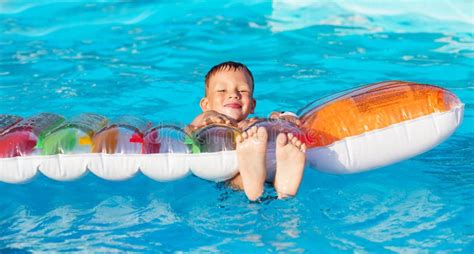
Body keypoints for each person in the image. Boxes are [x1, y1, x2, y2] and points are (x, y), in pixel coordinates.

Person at [188, 61, 306, 201]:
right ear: (206, 104)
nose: (234, 95)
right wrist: (209, 117)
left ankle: (283, 182)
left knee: (267, 137)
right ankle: (262, 182)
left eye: (243, 90)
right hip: (225, 175)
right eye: (222, 90)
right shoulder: (207, 122)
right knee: (229, 178)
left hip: (255, 167)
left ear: (252, 105)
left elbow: (288, 121)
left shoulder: (253, 125)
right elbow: (191, 130)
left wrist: (282, 116)